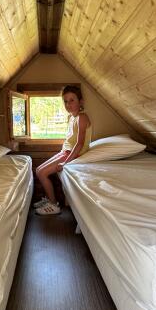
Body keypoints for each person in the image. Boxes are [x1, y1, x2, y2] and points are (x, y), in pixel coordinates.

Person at [34, 85, 92, 215]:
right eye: (65, 101)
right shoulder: (71, 117)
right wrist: (62, 153)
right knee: (38, 170)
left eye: (72, 100)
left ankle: (53, 204)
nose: (68, 104)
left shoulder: (82, 117)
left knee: (42, 173)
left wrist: (65, 162)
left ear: (80, 102)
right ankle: (48, 198)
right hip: (66, 151)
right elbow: (70, 140)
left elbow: (79, 144)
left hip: (74, 154)